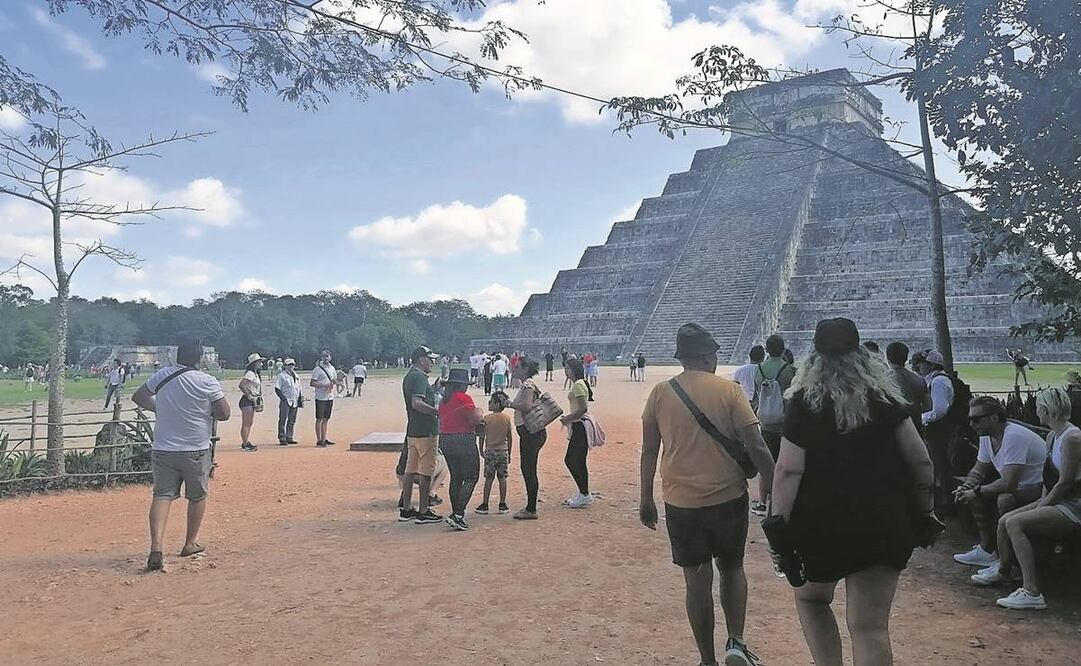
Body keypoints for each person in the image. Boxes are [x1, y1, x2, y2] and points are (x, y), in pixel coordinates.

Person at [771, 318, 936, 666]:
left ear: (814, 357)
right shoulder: (885, 400)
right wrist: (924, 510)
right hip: (883, 519)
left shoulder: (803, 402)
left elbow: (788, 469)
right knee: (871, 627)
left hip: (821, 524)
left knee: (812, 600)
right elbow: (921, 461)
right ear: (860, 354)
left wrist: (778, 526)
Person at [640, 323, 775, 666]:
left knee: (695, 581)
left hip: (681, 502)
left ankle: (707, 659)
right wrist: (774, 487)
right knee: (732, 568)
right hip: (727, 498)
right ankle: (736, 641)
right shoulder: (728, 391)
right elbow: (756, 445)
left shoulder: (660, 392)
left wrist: (645, 499)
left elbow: (648, 451)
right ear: (706, 356)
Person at [975, 388, 1081, 610]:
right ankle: (1004, 571)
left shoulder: (1073, 438)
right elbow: (1050, 480)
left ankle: (1032, 591)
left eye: (1038, 408)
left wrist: (1042, 504)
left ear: (1045, 410)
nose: (1036, 412)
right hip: (1060, 499)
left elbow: (1066, 482)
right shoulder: (1053, 436)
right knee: (1006, 519)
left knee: (1015, 522)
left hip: (1074, 503)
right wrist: (1041, 502)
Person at [133, 340, 231, 571]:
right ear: (200, 358)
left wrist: (160, 408)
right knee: (197, 495)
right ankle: (190, 542)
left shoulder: (162, 375)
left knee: (162, 495)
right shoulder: (206, 381)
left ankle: (156, 546)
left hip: (164, 446)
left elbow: (139, 397)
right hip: (195, 446)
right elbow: (224, 413)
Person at [952, 396, 1045, 567]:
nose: (972, 424)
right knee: (975, 492)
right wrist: (966, 487)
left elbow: (1009, 483)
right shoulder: (987, 436)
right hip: (1021, 486)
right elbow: (979, 469)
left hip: (1040, 488)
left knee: (1004, 499)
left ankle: (1008, 561)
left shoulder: (1014, 436)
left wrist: (976, 490)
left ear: (994, 417)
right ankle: (987, 550)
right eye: (970, 419)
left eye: (976, 419)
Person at [400, 346, 444, 525]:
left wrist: (433, 387)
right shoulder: (418, 377)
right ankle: (424, 510)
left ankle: (407, 508)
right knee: (427, 471)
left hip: (413, 429)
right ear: (421, 359)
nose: (432, 362)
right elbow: (417, 403)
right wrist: (437, 412)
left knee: (410, 470)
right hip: (426, 430)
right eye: (429, 359)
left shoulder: (411, 376)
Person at [438, 368, 483, 530]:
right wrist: (480, 411)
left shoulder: (445, 400)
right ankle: (458, 514)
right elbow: (476, 419)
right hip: (463, 438)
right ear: (462, 385)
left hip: (446, 439)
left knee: (456, 477)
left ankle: (456, 512)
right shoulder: (463, 398)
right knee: (471, 477)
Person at [917, 350, 955, 512]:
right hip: (937, 429)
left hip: (939, 430)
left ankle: (946, 503)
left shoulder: (938, 382)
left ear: (931, 365)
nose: (918, 366)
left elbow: (939, 411)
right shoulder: (935, 380)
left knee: (940, 466)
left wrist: (920, 418)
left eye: (922, 363)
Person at [509, 358, 545, 520]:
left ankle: (531, 508)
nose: (514, 369)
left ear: (525, 369)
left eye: (517, 367)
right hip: (531, 432)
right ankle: (530, 506)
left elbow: (527, 406)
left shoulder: (527, 385)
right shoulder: (527, 384)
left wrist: (509, 403)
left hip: (532, 433)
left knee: (529, 469)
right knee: (528, 468)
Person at [755, 335, 796, 460]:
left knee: (769, 459)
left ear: (767, 350)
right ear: (783, 349)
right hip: (786, 420)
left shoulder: (759, 369)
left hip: (766, 420)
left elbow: (758, 390)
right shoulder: (791, 370)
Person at [560, 357, 594, 508]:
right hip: (579, 425)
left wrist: (567, 418)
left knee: (571, 460)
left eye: (567, 368)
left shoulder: (578, 385)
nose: (565, 371)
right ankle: (583, 493)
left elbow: (582, 408)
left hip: (579, 426)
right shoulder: (579, 384)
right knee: (579, 460)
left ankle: (584, 493)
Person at [477, 391, 513, 515]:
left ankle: (485, 504)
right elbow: (509, 437)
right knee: (502, 478)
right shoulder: (507, 418)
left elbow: (481, 436)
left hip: (490, 451)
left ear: (497, 404)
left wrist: (481, 449)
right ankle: (502, 503)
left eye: (491, 402)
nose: (489, 403)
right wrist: (509, 452)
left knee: (489, 478)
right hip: (502, 450)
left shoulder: (486, 419)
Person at [885, 342, 929, 435]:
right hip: (915, 428)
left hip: (890, 429)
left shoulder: (882, 380)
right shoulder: (919, 380)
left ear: (888, 358)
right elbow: (928, 407)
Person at [238, 353, 265, 452]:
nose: (260, 364)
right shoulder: (250, 373)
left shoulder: (255, 374)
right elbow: (242, 385)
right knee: (246, 422)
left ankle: (246, 441)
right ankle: (245, 443)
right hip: (247, 400)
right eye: (258, 362)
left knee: (249, 422)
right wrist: (249, 395)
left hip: (252, 399)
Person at [310, 350, 337, 448]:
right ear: (321, 358)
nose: (326, 358)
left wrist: (337, 382)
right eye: (324, 356)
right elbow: (312, 383)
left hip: (329, 396)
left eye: (327, 356)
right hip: (321, 397)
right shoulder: (317, 369)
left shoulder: (332, 368)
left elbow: (333, 379)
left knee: (326, 418)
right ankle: (319, 439)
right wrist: (323, 385)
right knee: (319, 418)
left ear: (330, 357)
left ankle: (324, 437)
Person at [274, 358, 302, 445]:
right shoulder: (282, 376)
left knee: (292, 419)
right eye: (289, 365)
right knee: (283, 419)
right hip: (286, 400)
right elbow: (277, 388)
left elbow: (299, 388)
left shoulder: (296, 376)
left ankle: (289, 436)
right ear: (285, 366)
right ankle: (282, 437)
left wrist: (300, 398)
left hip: (295, 400)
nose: (291, 366)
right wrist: (283, 398)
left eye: (292, 365)